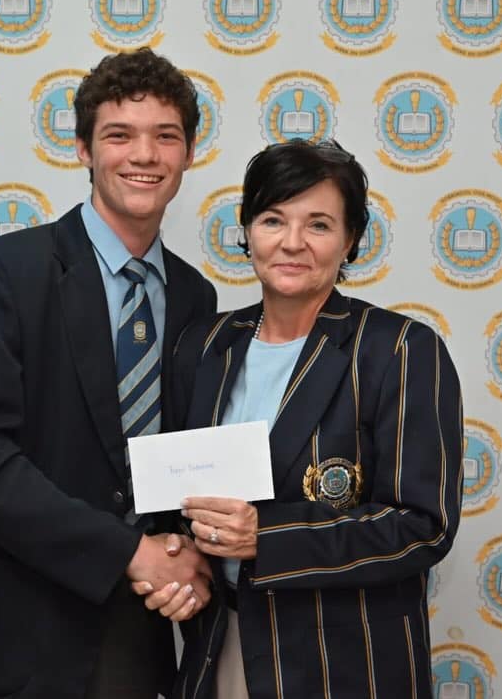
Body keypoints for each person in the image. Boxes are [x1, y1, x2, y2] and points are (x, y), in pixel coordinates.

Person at [0, 48, 218, 699]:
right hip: (5, 635)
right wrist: (127, 551)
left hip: (131, 635)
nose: (144, 154)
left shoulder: (195, 297)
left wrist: (191, 557)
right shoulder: (3, 272)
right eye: (119, 135)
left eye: (166, 136)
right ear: (83, 149)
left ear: (189, 154)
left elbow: (180, 457)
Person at [141, 140, 463, 698]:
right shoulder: (204, 344)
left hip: (345, 661)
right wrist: (177, 557)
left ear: (351, 239)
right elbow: (177, 495)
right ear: (247, 231)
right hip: (223, 642)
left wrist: (265, 536)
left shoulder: (400, 349)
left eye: (318, 224)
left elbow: (422, 526)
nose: (292, 242)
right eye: (273, 220)